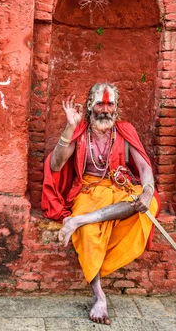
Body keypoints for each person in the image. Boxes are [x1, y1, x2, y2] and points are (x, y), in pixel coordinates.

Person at [41, 82, 159, 325]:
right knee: (87, 234)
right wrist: (69, 127)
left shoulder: (125, 130)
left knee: (149, 206)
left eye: (110, 104)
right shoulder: (81, 129)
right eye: (100, 104)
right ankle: (99, 297)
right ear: (89, 106)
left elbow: (145, 168)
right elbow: (55, 166)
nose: (105, 110)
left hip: (120, 188)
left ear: (116, 108)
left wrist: (147, 191)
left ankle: (78, 220)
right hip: (89, 190)